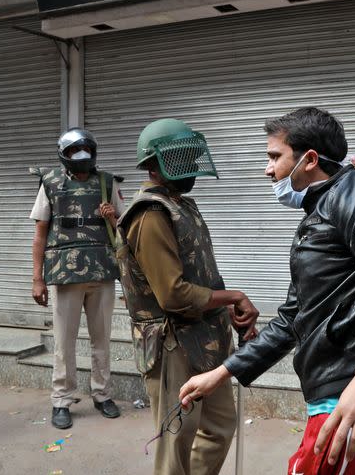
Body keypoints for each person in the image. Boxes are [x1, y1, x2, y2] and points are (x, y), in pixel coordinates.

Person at [178, 107, 355, 475]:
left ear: (310, 159)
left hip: (350, 412)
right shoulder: (324, 209)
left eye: (274, 157)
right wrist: (223, 373)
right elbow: (294, 318)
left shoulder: (348, 199)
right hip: (338, 405)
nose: (268, 170)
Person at [116, 118, 260, 475]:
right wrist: (233, 296)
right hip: (171, 344)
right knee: (176, 440)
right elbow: (173, 295)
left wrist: (227, 310)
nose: (190, 167)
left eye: (191, 158)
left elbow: (203, 273)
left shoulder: (183, 205)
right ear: (153, 164)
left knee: (221, 426)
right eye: (180, 158)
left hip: (206, 338)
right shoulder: (150, 214)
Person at [30, 128, 123, 430]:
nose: (80, 157)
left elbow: (126, 231)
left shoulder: (108, 183)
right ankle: (61, 400)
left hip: (102, 271)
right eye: (73, 152)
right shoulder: (51, 183)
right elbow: (40, 235)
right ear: (64, 154)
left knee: (101, 339)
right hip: (65, 274)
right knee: (63, 342)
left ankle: (103, 394)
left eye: (85, 151)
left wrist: (112, 217)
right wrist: (37, 279)